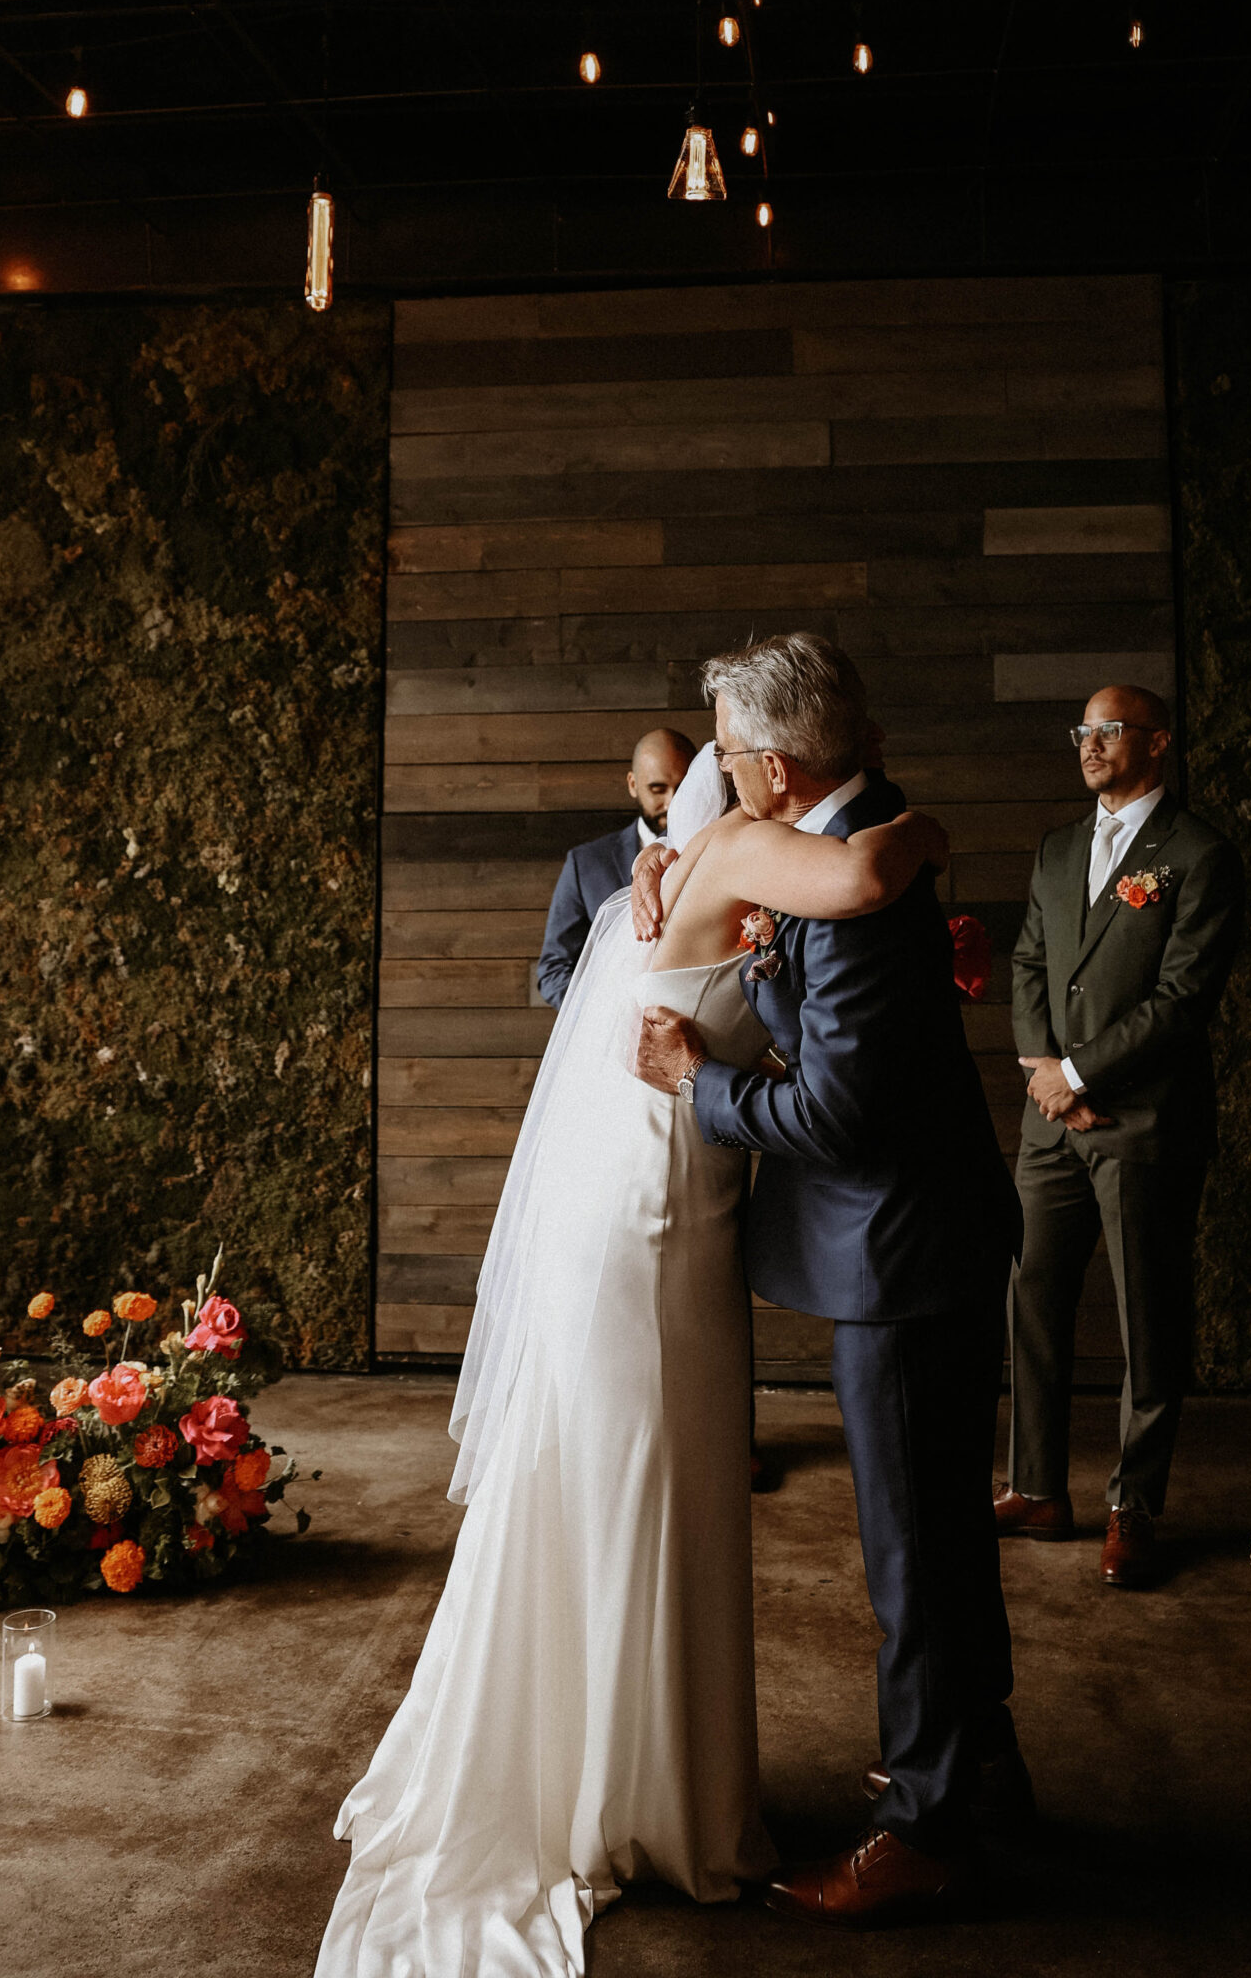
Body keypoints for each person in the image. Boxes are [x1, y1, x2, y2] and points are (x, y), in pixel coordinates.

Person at [314, 716, 951, 1978]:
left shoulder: (700, 858)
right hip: (648, 1219)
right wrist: (929, 826)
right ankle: (627, 1799)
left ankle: (662, 1781)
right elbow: (872, 876)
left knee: (680, 1489)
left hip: (685, 1209)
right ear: (764, 773)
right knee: (638, 1482)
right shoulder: (738, 852)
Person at [633, 633, 1025, 1930]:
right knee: (942, 1551)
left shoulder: (850, 874)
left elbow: (841, 1114)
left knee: (912, 1561)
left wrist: (703, 1083)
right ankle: (978, 1780)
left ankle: (923, 1829)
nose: (725, 778)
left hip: (900, 1267)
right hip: (929, 1248)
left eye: (735, 758)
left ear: (780, 767)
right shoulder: (863, 838)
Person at [1001, 685, 1245, 1588]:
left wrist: (1080, 1076)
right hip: (1050, 1122)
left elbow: (1181, 1002)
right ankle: (1036, 1489)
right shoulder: (1059, 848)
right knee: (1030, 1300)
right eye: (1082, 731)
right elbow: (1028, 962)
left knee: (1148, 1318)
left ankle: (1133, 1506)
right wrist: (1044, 1075)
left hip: (1143, 1124)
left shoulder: (1199, 855)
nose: (1090, 744)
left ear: (1157, 744)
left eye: (1110, 730)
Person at [534, 727, 696, 1008]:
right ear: (633, 784)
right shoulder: (585, 863)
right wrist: (606, 1017)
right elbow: (554, 969)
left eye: (682, 789)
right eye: (657, 789)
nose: (671, 803)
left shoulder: (713, 853)